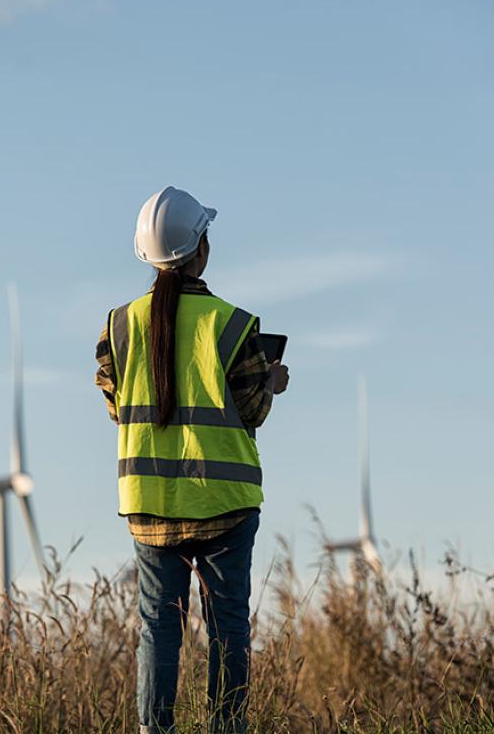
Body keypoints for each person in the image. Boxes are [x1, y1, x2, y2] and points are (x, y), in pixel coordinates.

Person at [94, 186, 289, 734]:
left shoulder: (118, 326)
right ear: (200, 249)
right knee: (228, 627)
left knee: (158, 628)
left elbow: (116, 406)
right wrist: (271, 381)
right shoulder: (233, 325)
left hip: (150, 505)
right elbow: (252, 409)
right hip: (224, 504)